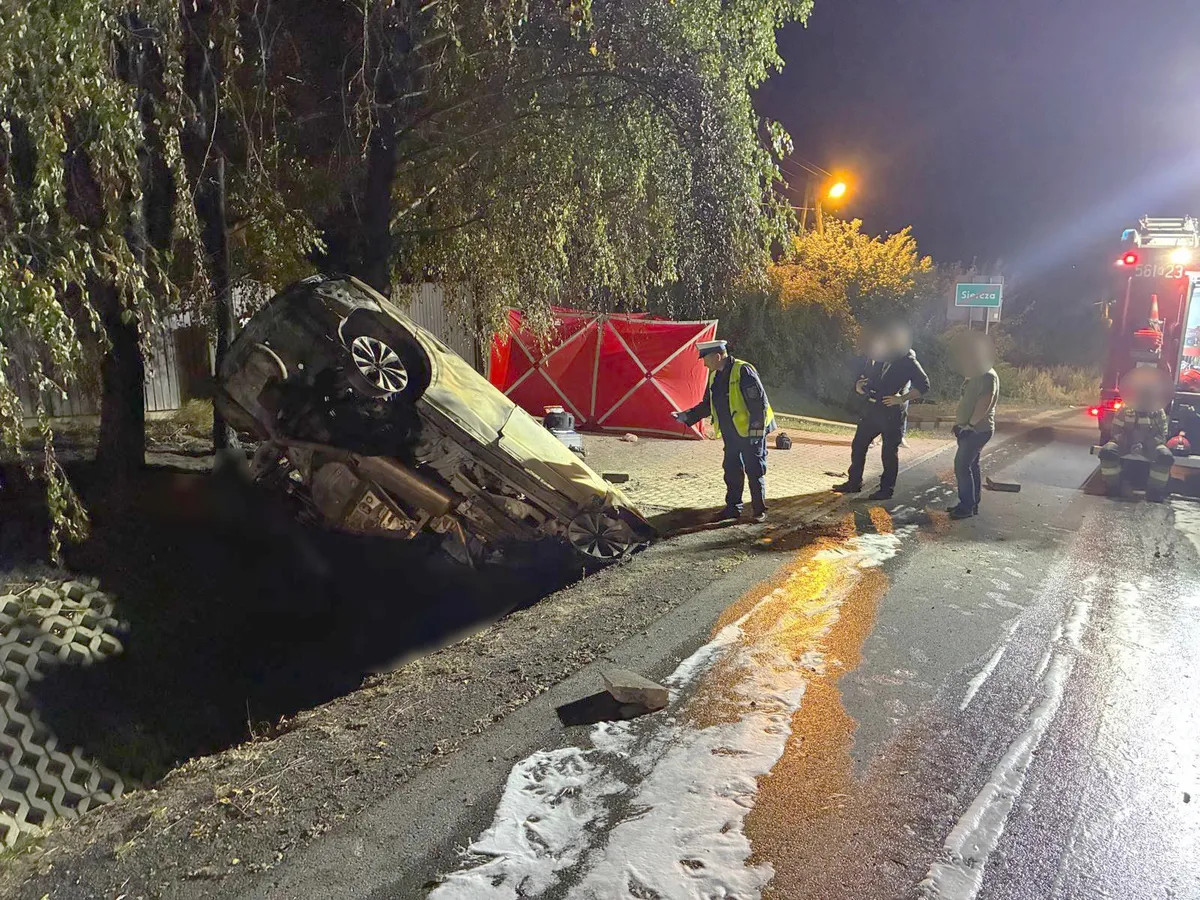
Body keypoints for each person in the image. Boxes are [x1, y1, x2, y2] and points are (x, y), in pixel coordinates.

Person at [673, 341, 776, 522]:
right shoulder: (714, 376)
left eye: (705, 359)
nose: (704, 364)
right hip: (732, 433)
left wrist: (756, 433)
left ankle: (759, 510)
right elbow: (707, 405)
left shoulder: (743, 371)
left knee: (755, 469)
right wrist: (686, 416)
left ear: (717, 356)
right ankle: (732, 509)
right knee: (731, 470)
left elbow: (758, 404)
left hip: (751, 432)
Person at [833, 323, 930, 500]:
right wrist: (860, 387)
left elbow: (924, 385)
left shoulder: (908, 360)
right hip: (873, 408)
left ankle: (886, 489)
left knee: (889, 452)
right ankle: (854, 482)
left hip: (892, 411)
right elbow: (869, 377)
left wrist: (901, 399)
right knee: (859, 443)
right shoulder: (880, 355)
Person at [1097, 367, 1173, 502]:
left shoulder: (1158, 412)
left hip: (1150, 447)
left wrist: (1144, 446)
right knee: (1107, 451)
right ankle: (1113, 487)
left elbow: (1162, 435)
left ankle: (1155, 492)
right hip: (1125, 444)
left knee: (1165, 456)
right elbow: (1116, 431)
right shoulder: (1125, 409)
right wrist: (1129, 444)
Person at [947, 331, 1000, 519]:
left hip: (977, 429)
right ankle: (971, 503)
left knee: (961, 466)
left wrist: (970, 425)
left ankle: (966, 506)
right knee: (972, 465)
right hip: (972, 428)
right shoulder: (978, 373)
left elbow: (985, 401)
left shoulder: (987, 375)